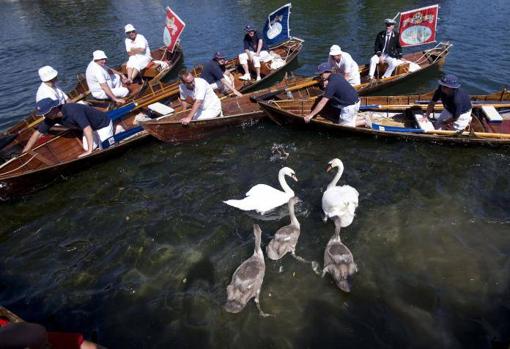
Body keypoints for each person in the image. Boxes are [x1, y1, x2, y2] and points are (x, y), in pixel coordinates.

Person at [22, 98, 114, 157]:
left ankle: (117, 129)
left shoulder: (73, 111)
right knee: (87, 148)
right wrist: (25, 151)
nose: (45, 116)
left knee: (105, 148)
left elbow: (87, 129)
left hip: (102, 124)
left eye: (46, 113)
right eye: (44, 114)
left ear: (54, 109)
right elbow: (37, 133)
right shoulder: (51, 117)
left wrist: (90, 151)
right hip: (90, 129)